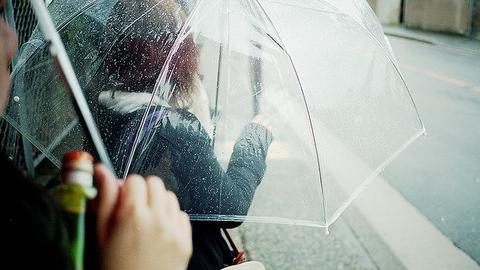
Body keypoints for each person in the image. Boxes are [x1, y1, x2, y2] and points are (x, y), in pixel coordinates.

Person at [0, 1, 192, 268]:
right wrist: (255, 138)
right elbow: (230, 205)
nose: (11, 40)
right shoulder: (180, 126)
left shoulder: (100, 103)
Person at [87, 0, 272, 269]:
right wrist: (253, 143)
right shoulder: (175, 130)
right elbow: (230, 207)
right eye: (188, 41)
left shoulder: (104, 108)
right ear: (176, 55)